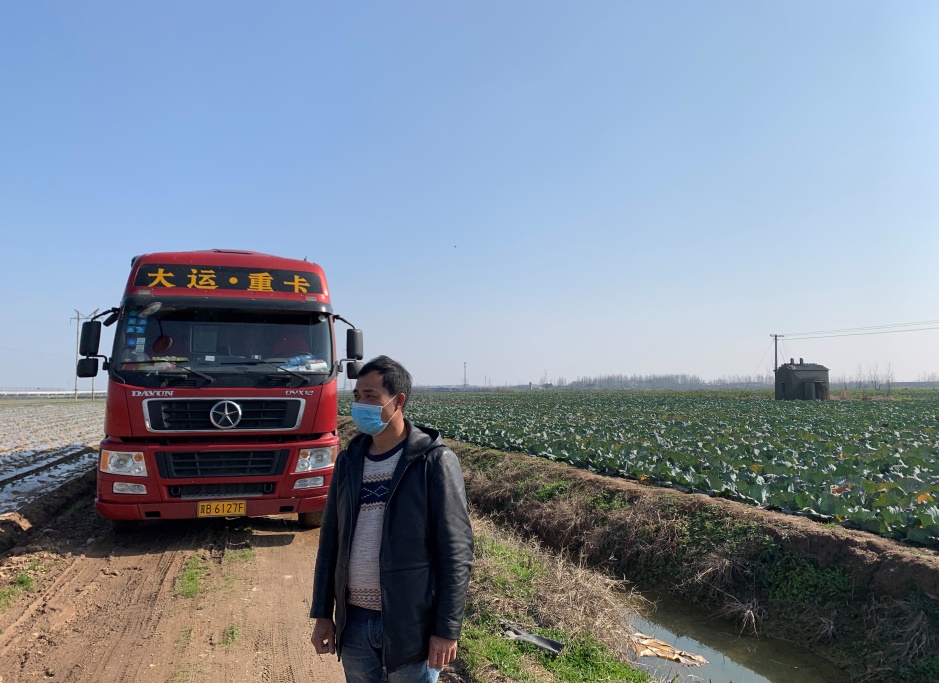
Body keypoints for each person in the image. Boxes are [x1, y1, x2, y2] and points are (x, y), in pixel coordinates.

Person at [310, 356, 474, 683]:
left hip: (410, 626)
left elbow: (456, 552)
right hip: (354, 625)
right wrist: (323, 614)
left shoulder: (433, 462)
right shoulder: (349, 462)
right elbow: (330, 542)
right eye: (357, 396)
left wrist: (446, 629)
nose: (360, 405)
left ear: (398, 401)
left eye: (371, 396)